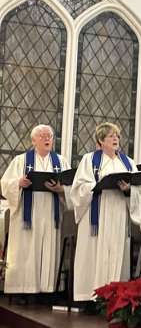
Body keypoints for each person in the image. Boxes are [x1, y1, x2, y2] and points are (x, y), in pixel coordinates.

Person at [71, 122, 141, 301]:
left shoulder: (128, 162)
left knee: (116, 252)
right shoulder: (90, 160)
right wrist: (97, 184)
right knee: (94, 254)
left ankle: (115, 298)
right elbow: (78, 187)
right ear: (101, 140)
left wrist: (128, 190)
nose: (116, 139)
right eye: (111, 136)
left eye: (117, 136)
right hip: (97, 213)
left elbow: (137, 188)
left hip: (118, 211)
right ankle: (91, 297)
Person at [1, 125, 72, 295]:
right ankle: (23, 289)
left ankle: (47, 290)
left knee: (48, 249)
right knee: (26, 250)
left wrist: (61, 189)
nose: (47, 138)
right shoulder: (21, 161)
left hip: (50, 211)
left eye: (50, 136)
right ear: (33, 141)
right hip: (28, 213)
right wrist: (18, 183)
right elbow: (4, 184)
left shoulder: (61, 162)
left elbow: (71, 186)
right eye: (42, 136)